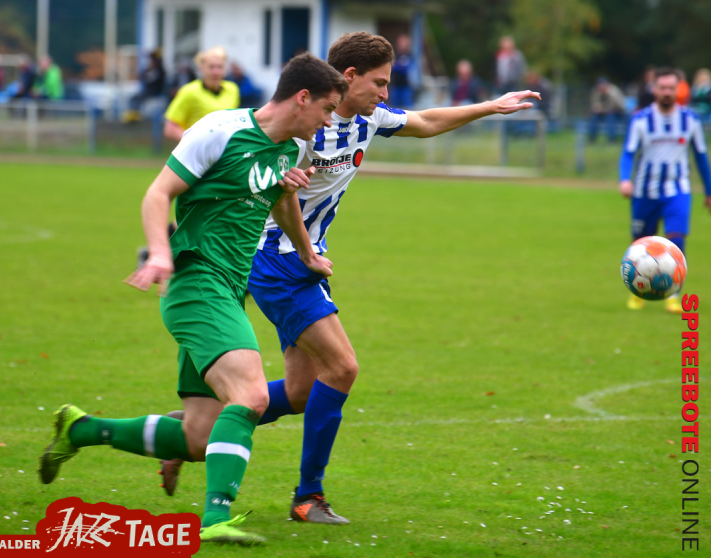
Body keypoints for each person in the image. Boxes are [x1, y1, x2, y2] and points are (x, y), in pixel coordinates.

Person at [157, 31, 539, 524]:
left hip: (303, 260)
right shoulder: (303, 126)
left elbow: (423, 121)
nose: (386, 93)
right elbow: (265, 178)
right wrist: (300, 245)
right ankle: (308, 497)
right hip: (275, 258)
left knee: (299, 391)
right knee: (342, 368)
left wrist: (491, 106)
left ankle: (192, 430)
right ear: (350, 78)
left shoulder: (369, 119)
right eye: (379, 82)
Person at [38, 52, 348, 546]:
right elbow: (157, 193)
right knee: (249, 396)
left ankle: (81, 430)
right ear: (302, 98)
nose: (331, 119)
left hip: (227, 288)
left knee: (198, 438)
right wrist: (159, 254)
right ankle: (214, 519)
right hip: (196, 282)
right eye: (328, 108)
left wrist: (308, 254)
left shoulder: (292, 149)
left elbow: (284, 201)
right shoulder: (218, 130)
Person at [619, 67, 711, 313]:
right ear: (655, 89)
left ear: (678, 89)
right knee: (641, 243)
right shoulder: (640, 119)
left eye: (672, 88)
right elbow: (628, 153)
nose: (667, 92)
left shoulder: (690, 120)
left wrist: (709, 191)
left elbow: (701, 157)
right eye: (663, 88)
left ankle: (673, 294)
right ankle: (638, 291)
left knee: (677, 239)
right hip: (644, 191)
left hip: (677, 190)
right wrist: (624, 179)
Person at [163, 46, 239, 143]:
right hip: (196, 154)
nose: (216, 72)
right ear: (201, 68)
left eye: (220, 67)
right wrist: (194, 143)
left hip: (224, 153)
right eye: (211, 67)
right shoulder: (189, 91)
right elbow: (170, 129)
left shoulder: (232, 90)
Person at [123, 49, 166, 123]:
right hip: (148, 92)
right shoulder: (149, 70)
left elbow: (152, 81)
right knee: (133, 98)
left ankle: (136, 116)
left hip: (154, 93)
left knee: (138, 100)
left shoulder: (159, 71)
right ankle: (133, 115)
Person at [588, 77, 626, 142]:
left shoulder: (614, 91)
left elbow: (621, 105)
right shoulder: (596, 92)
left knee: (610, 116)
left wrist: (609, 94)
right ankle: (591, 138)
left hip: (616, 113)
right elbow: (594, 104)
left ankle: (611, 139)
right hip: (602, 113)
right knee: (594, 116)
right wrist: (597, 108)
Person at [389, 34, 418, 109]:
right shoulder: (394, 56)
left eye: (405, 43)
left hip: (407, 87)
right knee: (394, 108)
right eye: (401, 43)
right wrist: (399, 67)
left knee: (407, 108)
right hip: (395, 86)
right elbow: (391, 69)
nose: (403, 46)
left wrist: (399, 67)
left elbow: (410, 69)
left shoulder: (411, 56)